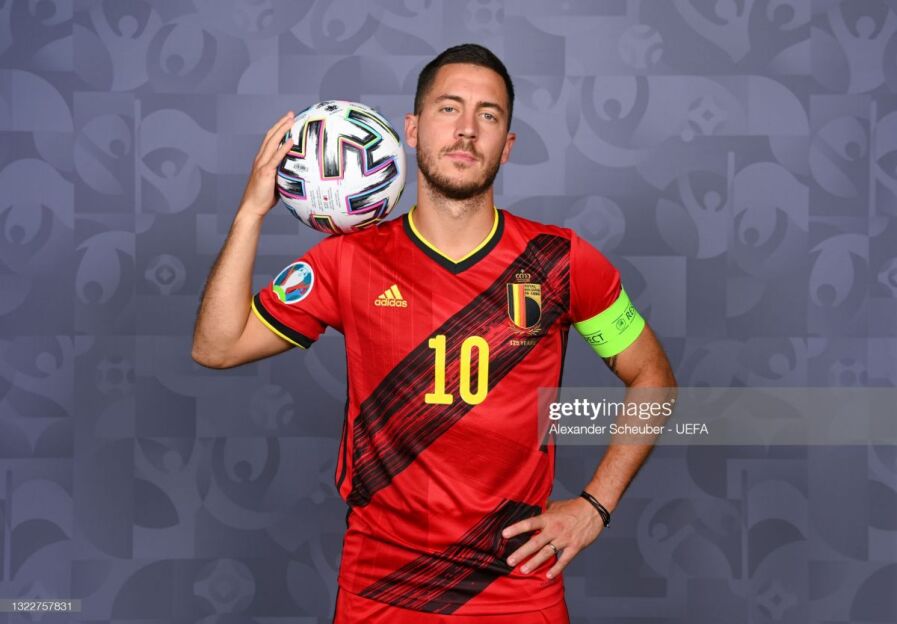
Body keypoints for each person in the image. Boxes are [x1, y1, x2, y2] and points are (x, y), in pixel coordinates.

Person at [192, 43, 676, 623]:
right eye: (449, 108)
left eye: (488, 115)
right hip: (381, 585)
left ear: (507, 145)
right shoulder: (348, 259)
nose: (467, 128)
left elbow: (653, 376)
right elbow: (217, 346)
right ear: (413, 129)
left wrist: (596, 506)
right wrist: (250, 212)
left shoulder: (559, 262)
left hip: (515, 587)